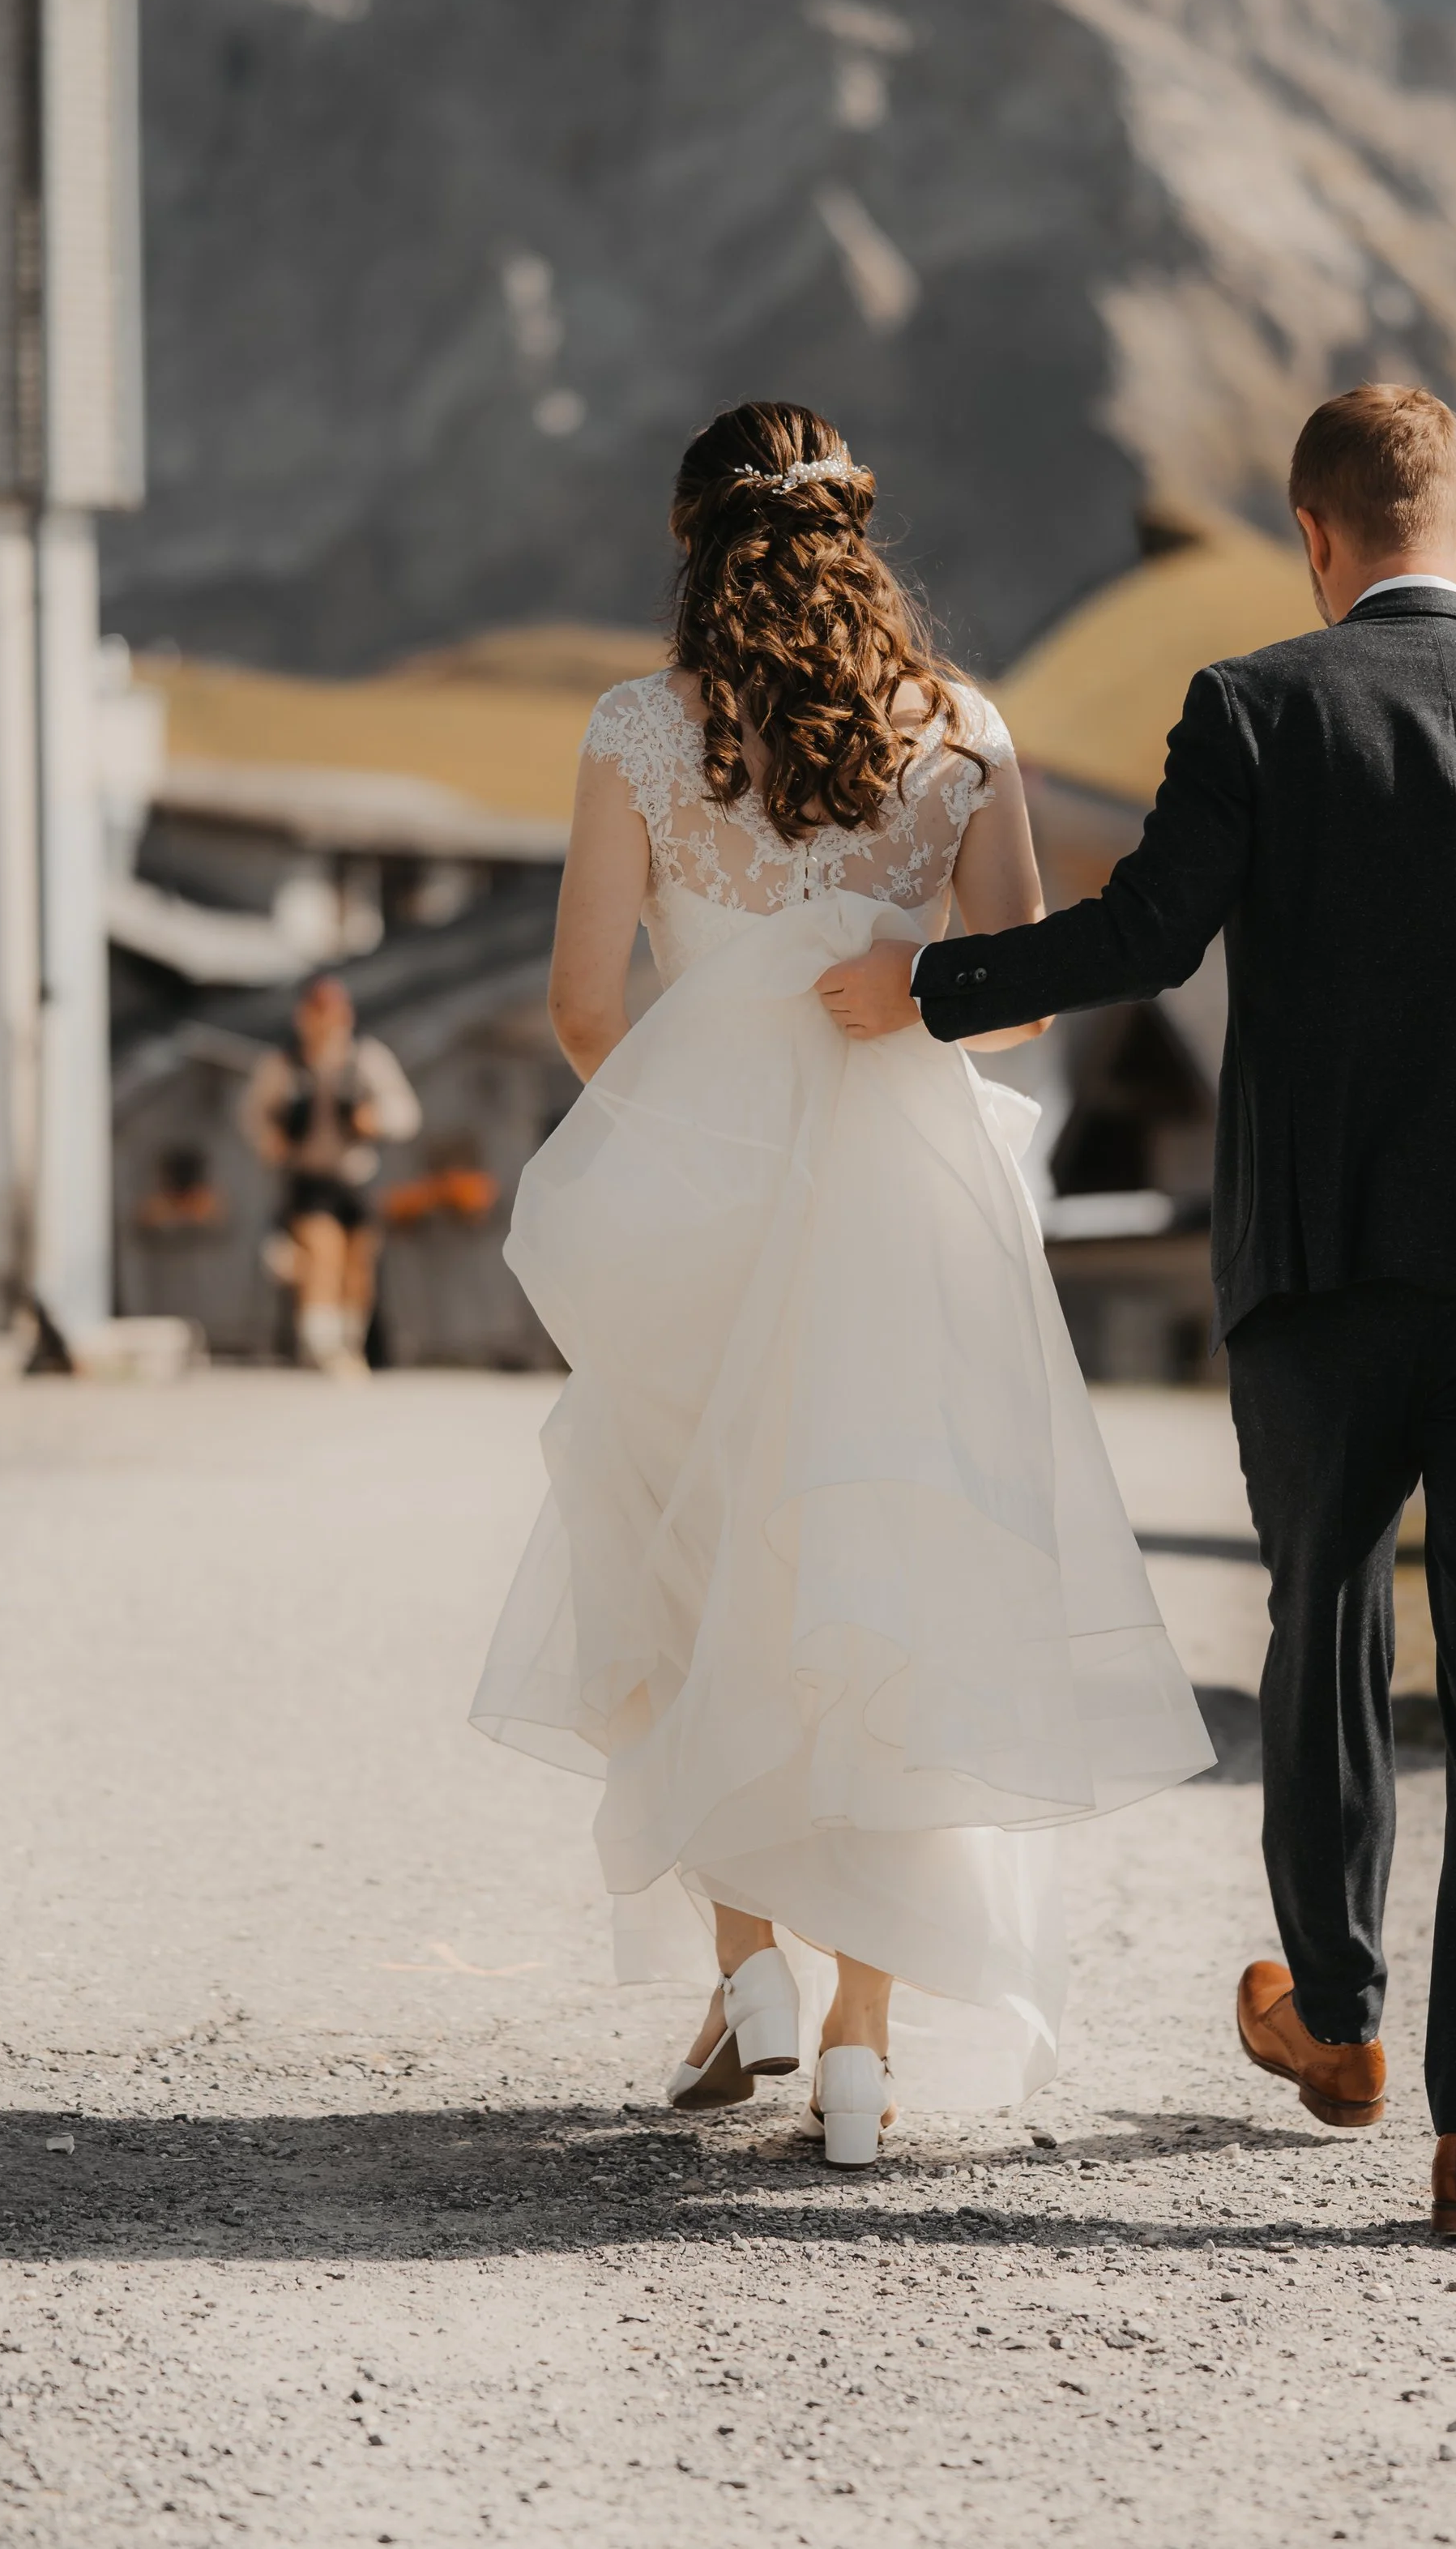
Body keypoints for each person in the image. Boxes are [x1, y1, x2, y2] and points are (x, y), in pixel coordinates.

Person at [818, 382, 1456, 2236]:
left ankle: (1341, 2015)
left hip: (1318, 1260)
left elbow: (1144, 938)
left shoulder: (1257, 705)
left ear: (1312, 539)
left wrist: (927, 981)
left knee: (1319, 1619)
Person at [471, 400, 1210, 2166]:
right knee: (873, 1595)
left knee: (680, 1560)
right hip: (902, 1218)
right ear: (858, 536)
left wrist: (690, 1117)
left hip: (702, 1217)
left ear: (693, 547)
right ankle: (864, 2052)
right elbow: (1016, 995)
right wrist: (903, 975)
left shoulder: (638, 732)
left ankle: (750, 1976)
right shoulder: (961, 730)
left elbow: (585, 1002)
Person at [238, 974, 421, 1377]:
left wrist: (376, 1119)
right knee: (322, 1252)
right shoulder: (283, 1065)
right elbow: (253, 1115)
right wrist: (270, 1138)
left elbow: (406, 1112)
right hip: (308, 1178)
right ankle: (319, 1346)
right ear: (303, 1017)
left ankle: (348, 1343)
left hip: (354, 1178)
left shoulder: (366, 1059)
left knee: (358, 1260)